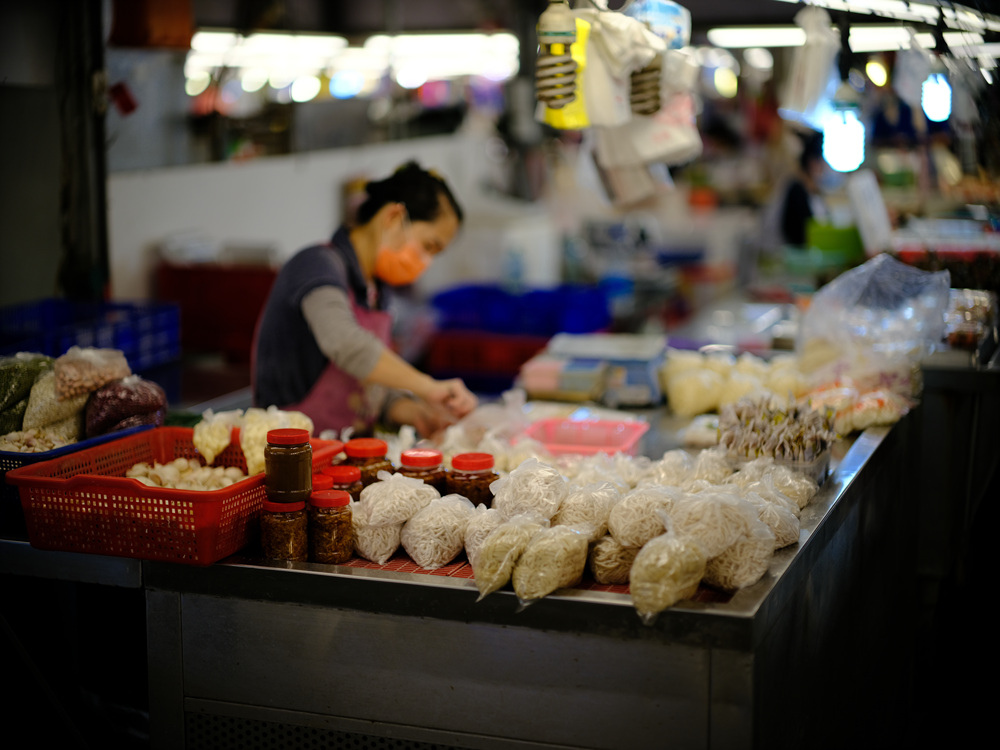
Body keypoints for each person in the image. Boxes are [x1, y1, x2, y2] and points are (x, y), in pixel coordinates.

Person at [252, 161, 478, 437]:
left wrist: (415, 413)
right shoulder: (316, 265)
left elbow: (366, 388)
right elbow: (347, 345)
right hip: (291, 454)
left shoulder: (378, 290)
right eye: (429, 246)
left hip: (345, 456)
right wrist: (428, 387)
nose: (426, 262)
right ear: (394, 217)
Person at [778, 130, 828, 247]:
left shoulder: (815, 191)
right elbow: (796, 232)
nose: (824, 167)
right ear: (812, 163)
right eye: (821, 162)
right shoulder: (796, 190)